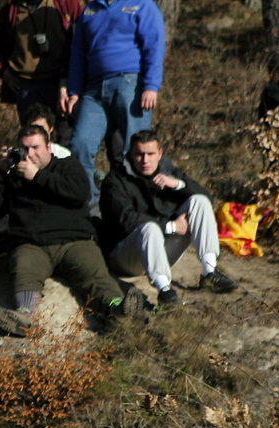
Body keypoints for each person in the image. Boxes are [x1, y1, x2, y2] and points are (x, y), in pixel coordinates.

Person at [0, 124, 145, 336]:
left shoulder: (67, 166)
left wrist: (37, 176)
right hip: (32, 244)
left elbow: (79, 193)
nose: (30, 154)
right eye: (25, 148)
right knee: (25, 271)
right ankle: (25, 317)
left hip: (74, 241)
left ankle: (117, 310)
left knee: (94, 276)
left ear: (49, 147)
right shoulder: (13, 175)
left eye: (36, 148)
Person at [64, 0, 166, 205]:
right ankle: (91, 205)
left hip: (130, 84)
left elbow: (155, 46)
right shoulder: (90, 11)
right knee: (80, 145)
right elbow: (78, 55)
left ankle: (138, 204)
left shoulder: (143, 5)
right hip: (94, 89)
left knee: (135, 151)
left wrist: (151, 86)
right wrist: (74, 91)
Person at [101, 131, 238, 306]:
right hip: (126, 257)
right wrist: (171, 227)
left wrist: (178, 185)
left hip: (160, 251)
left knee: (199, 201)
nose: (145, 160)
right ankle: (164, 289)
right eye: (139, 154)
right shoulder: (115, 180)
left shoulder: (168, 170)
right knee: (149, 228)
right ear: (130, 154)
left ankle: (209, 272)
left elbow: (207, 199)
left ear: (160, 154)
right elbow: (125, 220)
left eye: (150, 154)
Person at [0, 0, 81, 120]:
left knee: (64, 135)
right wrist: (4, 72)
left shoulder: (63, 1)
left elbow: (83, 36)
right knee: (33, 137)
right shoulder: (11, 7)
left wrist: (72, 80)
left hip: (60, 83)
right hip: (26, 85)